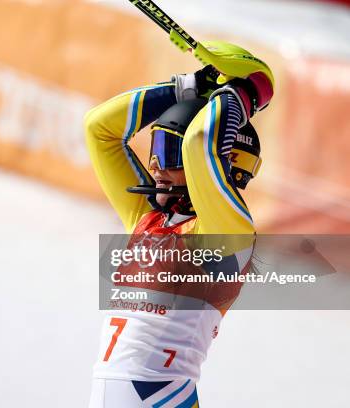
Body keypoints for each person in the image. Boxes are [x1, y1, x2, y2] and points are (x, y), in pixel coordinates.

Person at [84, 42, 272, 408]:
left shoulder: (225, 233)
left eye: (168, 155)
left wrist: (247, 91)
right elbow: (98, 129)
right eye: (154, 148)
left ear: (226, 162)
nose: (154, 166)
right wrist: (186, 87)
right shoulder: (149, 218)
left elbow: (200, 142)